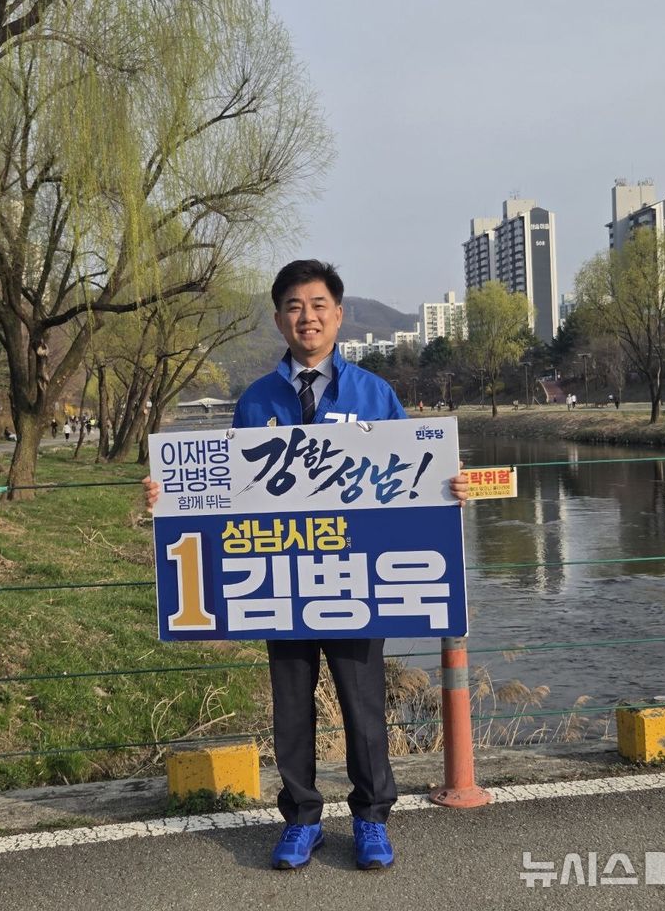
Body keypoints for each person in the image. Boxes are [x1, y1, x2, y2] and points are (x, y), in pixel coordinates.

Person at [143, 260, 468, 872]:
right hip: (280, 579)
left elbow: (412, 481)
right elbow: (223, 494)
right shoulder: (256, 400)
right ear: (278, 319)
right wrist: (171, 500)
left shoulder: (376, 394)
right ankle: (302, 819)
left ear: (339, 315)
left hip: (356, 579)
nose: (307, 316)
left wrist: (449, 489)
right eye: (294, 306)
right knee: (290, 707)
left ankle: (371, 818)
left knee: (363, 705)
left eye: (319, 305)